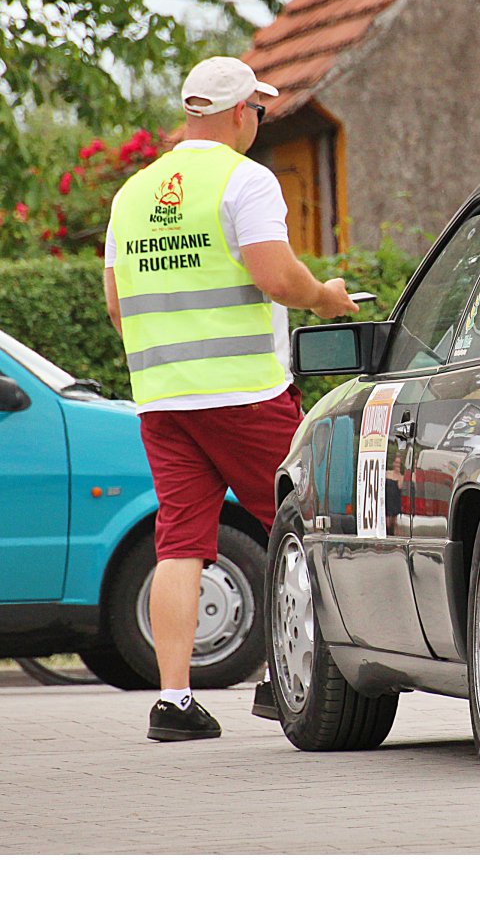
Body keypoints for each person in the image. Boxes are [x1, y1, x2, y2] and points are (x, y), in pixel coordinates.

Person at [104, 57, 357, 741]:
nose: (259, 123)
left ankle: (175, 701)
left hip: (163, 399)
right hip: (246, 392)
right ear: (242, 112)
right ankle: (287, 675)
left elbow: (116, 305)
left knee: (180, 545)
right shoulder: (245, 181)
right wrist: (325, 299)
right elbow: (277, 277)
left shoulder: (132, 195)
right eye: (260, 112)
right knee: (300, 521)